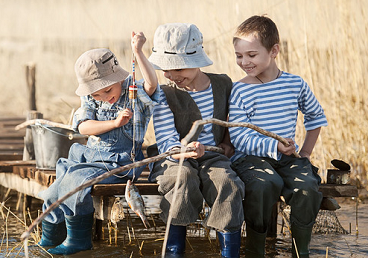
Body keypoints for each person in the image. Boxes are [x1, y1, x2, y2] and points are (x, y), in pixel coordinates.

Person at [37, 32, 159, 255]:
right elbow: (83, 127)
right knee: (53, 191)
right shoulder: (91, 98)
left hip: (121, 162)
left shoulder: (133, 92)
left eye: (108, 90)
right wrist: (113, 123)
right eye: (97, 94)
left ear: (120, 78)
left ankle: (79, 240)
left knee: (74, 180)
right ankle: (50, 237)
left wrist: (138, 51)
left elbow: (151, 83)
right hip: (90, 156)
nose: (105, 97)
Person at [229, 15, 328, 257]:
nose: (244, 62)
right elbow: (239, 137)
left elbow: (316, 116)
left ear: (274, 50)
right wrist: (274, 147)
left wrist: (304, 153)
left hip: (287, 158)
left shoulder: (295, 84)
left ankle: (300, 251)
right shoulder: (240, 89)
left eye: (251, 55)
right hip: (250, 159)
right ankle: (256, 250)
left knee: (307, 187)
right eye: (239, 56)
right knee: (265, 184)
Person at [147, 23, 245, 258]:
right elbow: (166, 138)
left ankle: (229, 252)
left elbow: (232, 119)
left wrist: (228, 143)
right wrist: (183, 151)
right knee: (182, 178)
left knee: (226, 183)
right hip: (172, 156)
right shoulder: (164, 93)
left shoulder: (222, 84)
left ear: (196, 61)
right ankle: (174, 251)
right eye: (165, 69)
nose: (171, 75)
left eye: (177, 68)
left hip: (213, 155)